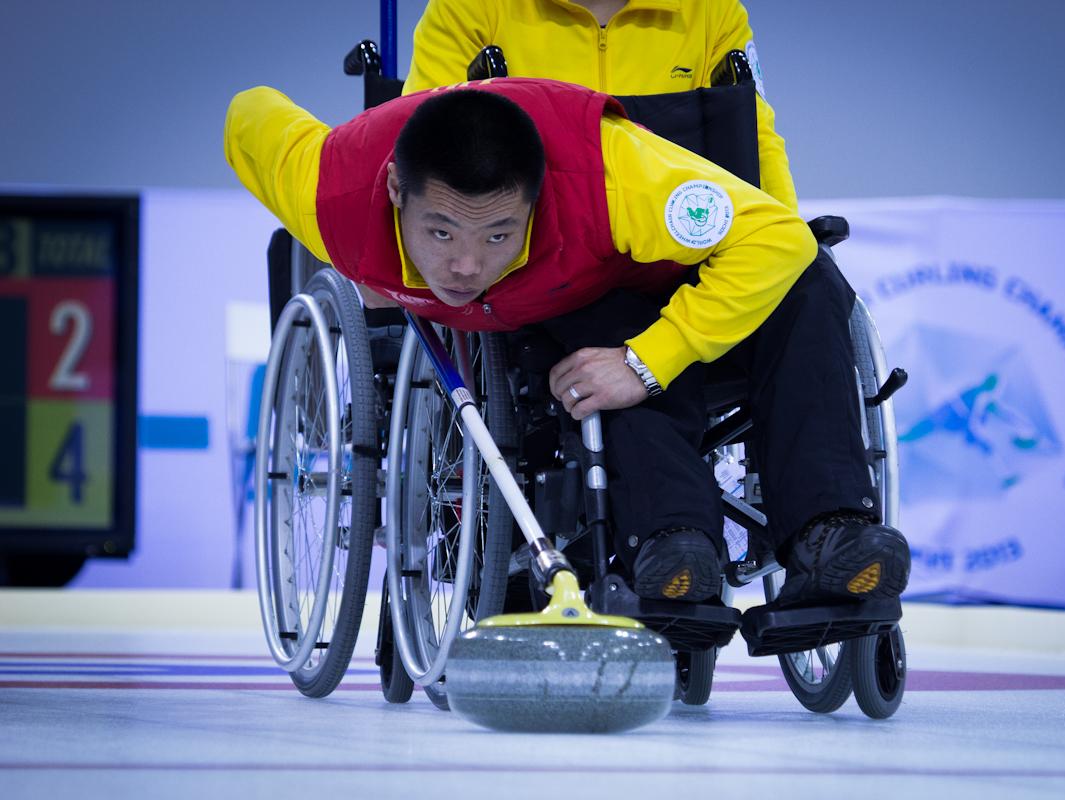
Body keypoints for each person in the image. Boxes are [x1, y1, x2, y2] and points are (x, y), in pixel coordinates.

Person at [224, 78, 909, 637]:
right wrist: (379, 264)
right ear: (396, 190)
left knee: (809, 281)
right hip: (581, 300)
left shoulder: (611, 179)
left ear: (535, 198)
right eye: (440, 232)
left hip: (639, 264)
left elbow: (780, 239)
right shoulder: (331, 192)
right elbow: (247, 113)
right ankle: (675, 547)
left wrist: (648, 361)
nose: (465, 265)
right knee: (599, 328)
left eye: (498, 234)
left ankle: (831, 532)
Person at [402, 0, 799, 214]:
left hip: (680, 245)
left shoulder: (713, 10)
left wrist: (787, 235)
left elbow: (754, 138)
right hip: (530, 249)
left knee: (808, 288)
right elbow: (420, 141)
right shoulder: (467, 7)